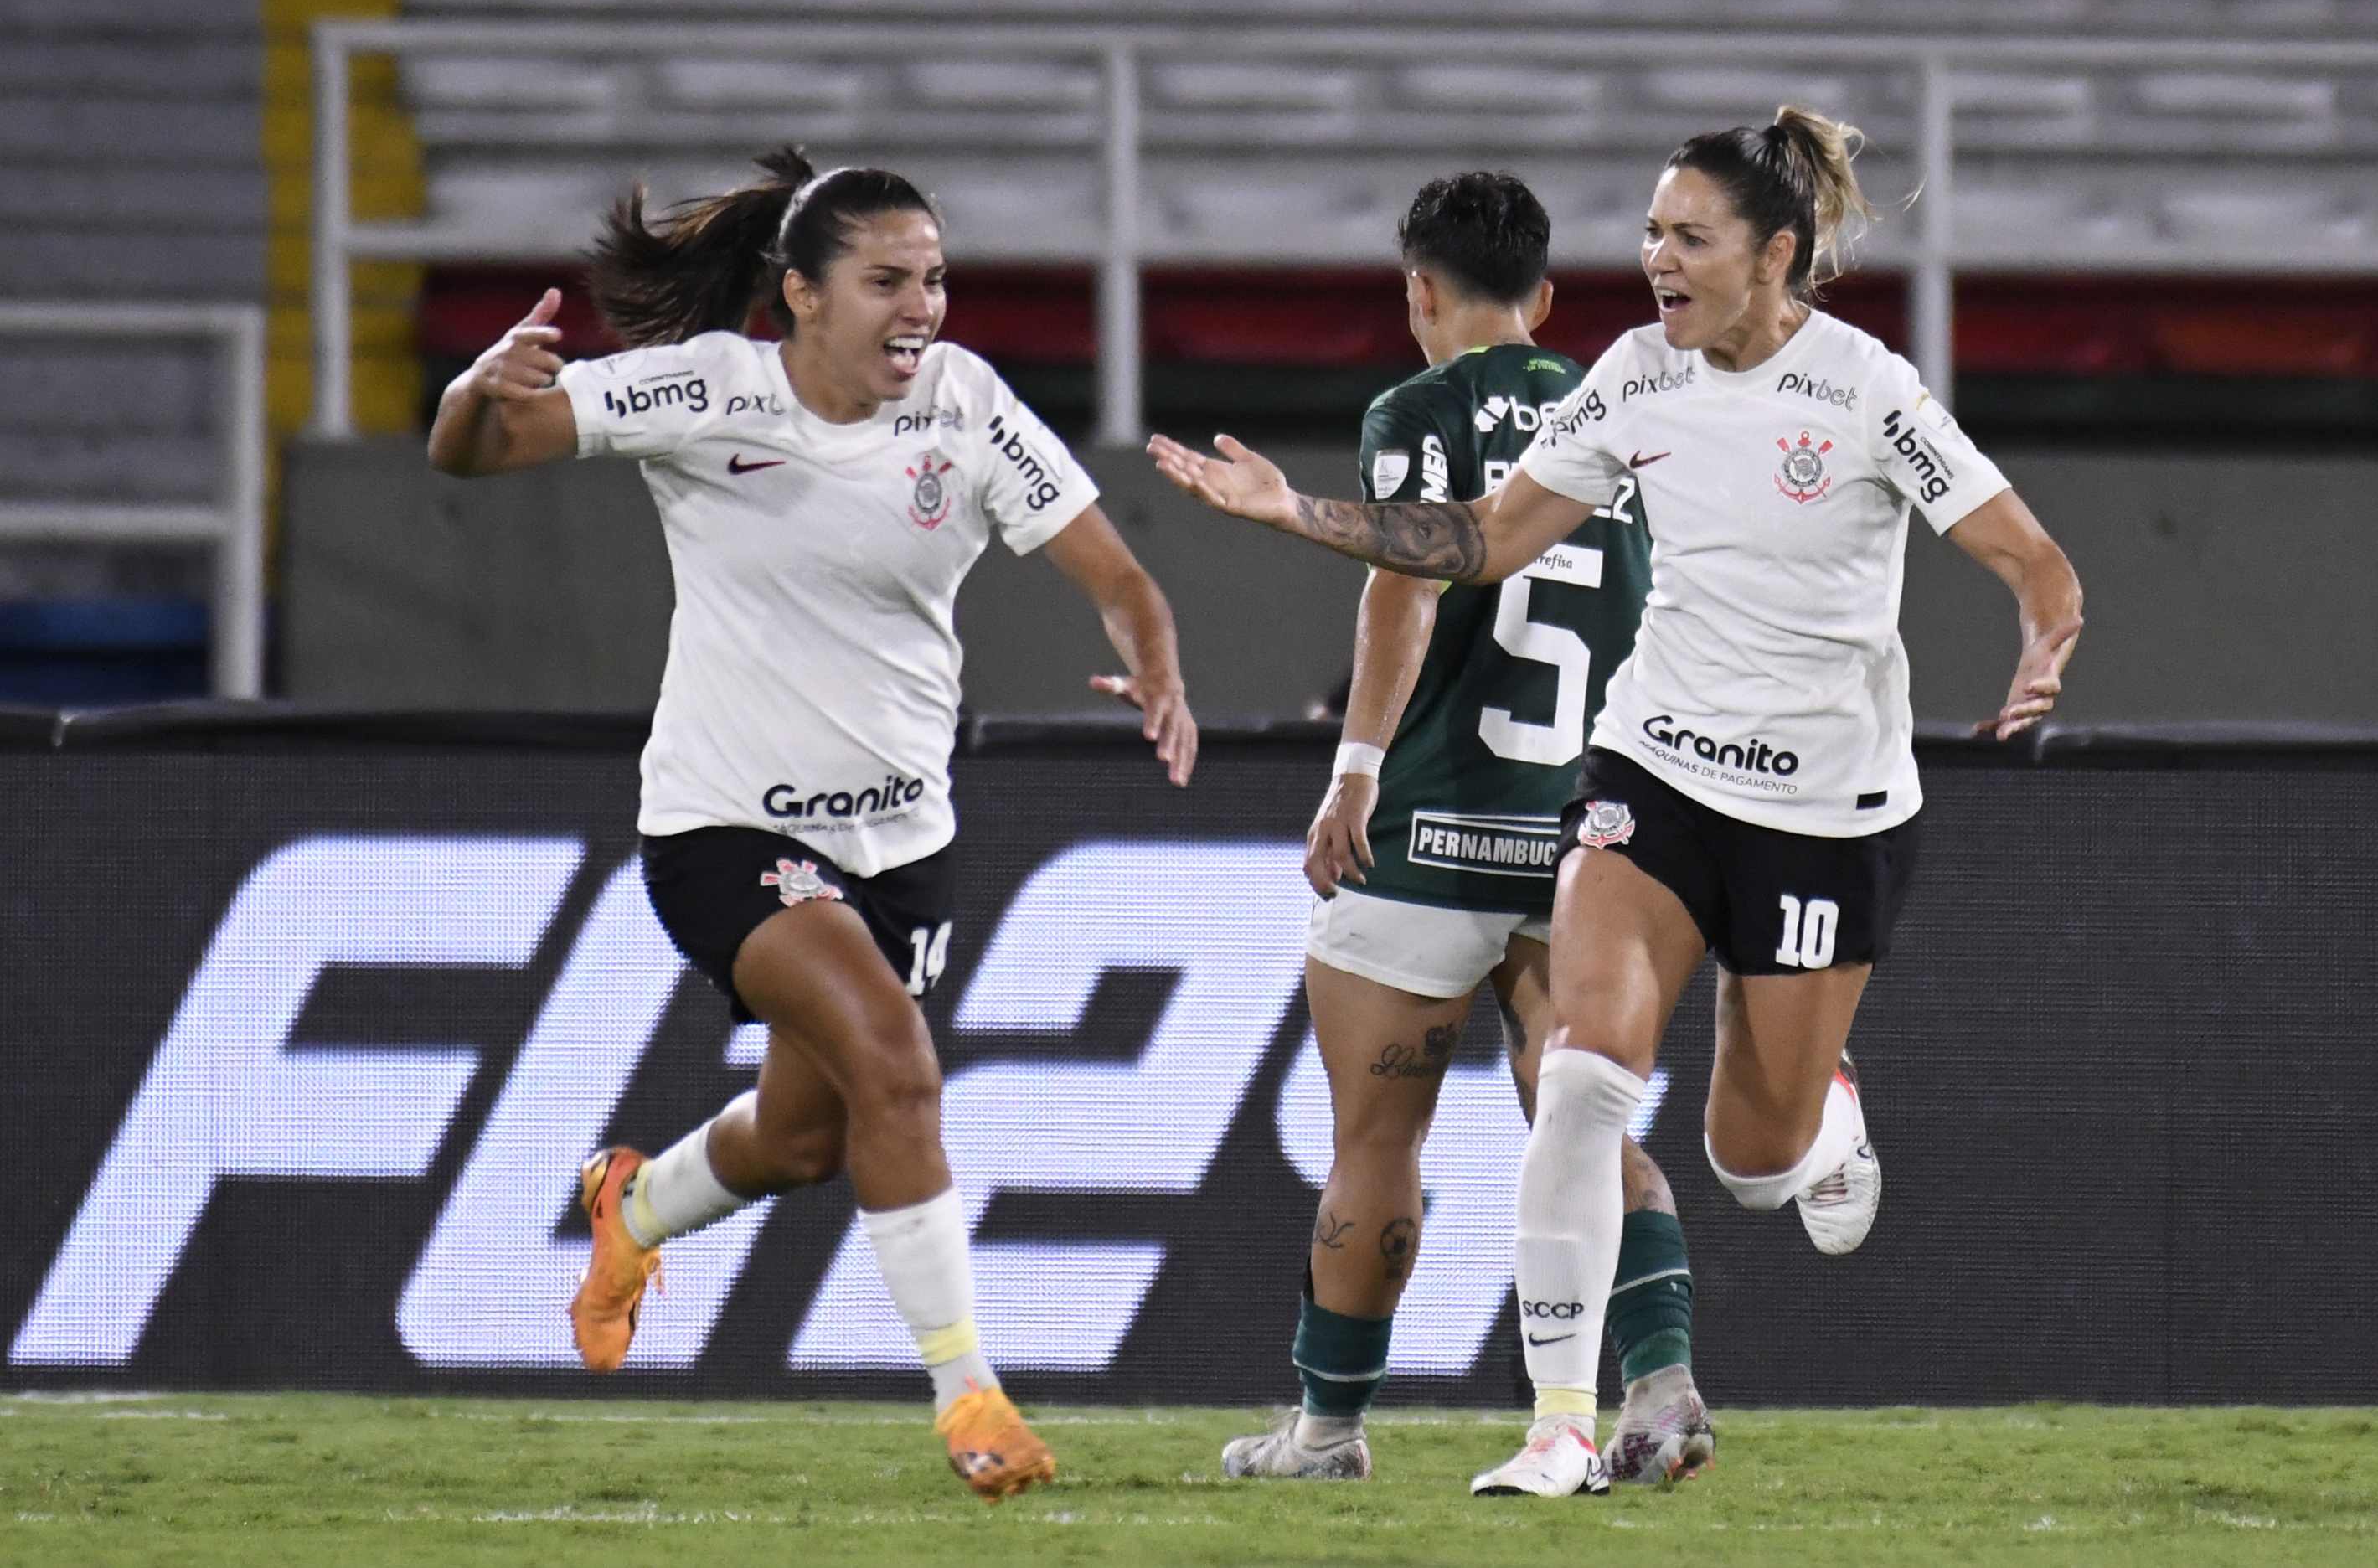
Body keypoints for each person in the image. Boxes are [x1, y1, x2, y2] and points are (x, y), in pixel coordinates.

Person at [1152, 107, 2081, 1498]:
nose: (1655, 257)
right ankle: (1563, 1425)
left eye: (1687, 236)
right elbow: (1479, 538)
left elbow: (2032, 555)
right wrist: (1301, 515)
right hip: (1648, 773)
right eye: (1649, 231)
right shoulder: (1632, 377)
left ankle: (1816, 1110)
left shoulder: (1868, 388)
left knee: (1749, 1161)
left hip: (1828, 808)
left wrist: (2045, 636)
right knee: (1582, 1079)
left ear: (1775, 255)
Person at [428, 147, 1199, 1504]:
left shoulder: (965, 406)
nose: (924, 307)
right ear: (799, 294)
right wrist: (471, 394)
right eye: (888, 280)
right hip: (723, 828)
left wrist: (1156, 663)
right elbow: (476, 453)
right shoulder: (708, 388)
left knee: (807, 1136)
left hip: (902, 844)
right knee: (897, 1064)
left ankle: (636, 1203)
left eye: (937, 278)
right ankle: (970, 1392)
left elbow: (1120, 575)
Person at [1219, 173, 1710, 1492]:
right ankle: (1659, 1385)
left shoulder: (1419, 410)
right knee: (1590, 1118)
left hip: (1431, 830)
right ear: (1547, 300)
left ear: (1420, 291)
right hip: (1588, 833)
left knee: (1379, 1144)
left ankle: (1326, 1433)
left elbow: (1409, 582)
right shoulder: (1627, 408)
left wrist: (1354, 770)